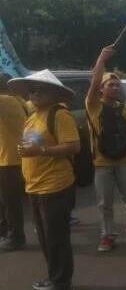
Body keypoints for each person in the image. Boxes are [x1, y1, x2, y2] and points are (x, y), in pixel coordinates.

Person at [9, 70, 81, 290]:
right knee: (45, 236)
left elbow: (74, 147)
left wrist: (40, 150)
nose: (35, 93)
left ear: (54, 93)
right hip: (35, 186)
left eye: (41, 89)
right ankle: (55, 277)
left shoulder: (59, 114)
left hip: (55, 186)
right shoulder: (33, 116)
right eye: (32, 89)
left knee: (56, 238)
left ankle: (60, 281)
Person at [86, 45, 126, 252]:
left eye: (118, 85)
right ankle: (107, 235)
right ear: (101, 88)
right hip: (102, 163)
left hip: (123, 161)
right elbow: (93, 82)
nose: (115, 88)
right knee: (105, 204)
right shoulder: (93, 105)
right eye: (110, 85)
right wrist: (101, 59)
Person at [0, 74, 28, 251]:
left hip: (8, 160)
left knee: (9, 202)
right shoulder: (20, 101)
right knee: (9, 201)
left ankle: (15, 237)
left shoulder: (4, 101)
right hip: (18, 157)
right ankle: (6, 232)